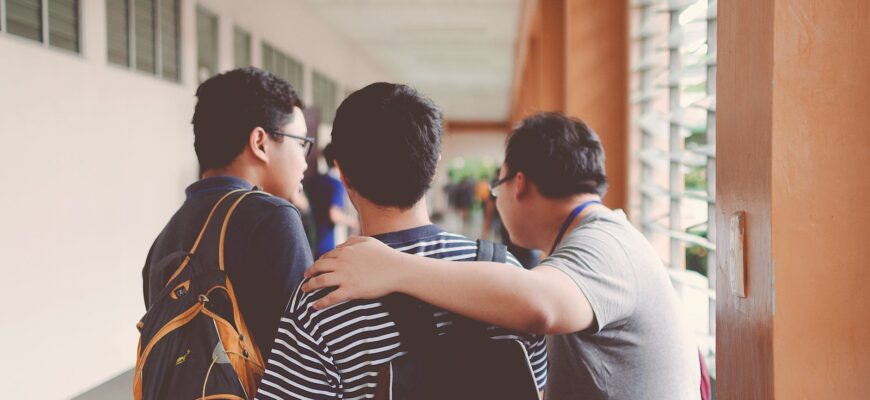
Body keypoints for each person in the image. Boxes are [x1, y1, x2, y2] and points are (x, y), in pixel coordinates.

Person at [304, 113, 702, 399]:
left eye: (498, 184)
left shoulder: (606, 246)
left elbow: (539, 305)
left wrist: (393, 267)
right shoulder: (607, 237)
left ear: (519, 184)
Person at [255, 83, 547, 399]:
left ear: (344, 175)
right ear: (434, 168)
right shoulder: (509, 278)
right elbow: (538, 390)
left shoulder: (322, 295)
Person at [142, 67, 314, 356]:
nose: (305, 162)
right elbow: (304, 357)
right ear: (260, 142)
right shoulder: (274, 217)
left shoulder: (167, 237)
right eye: (301, 143)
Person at [304, 142, 358, 258]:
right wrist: (353, 222)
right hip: (328, 244)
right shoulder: (337, 183)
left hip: (308, 240)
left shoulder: (313, 180)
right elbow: (334, 214)